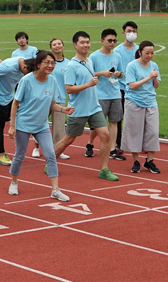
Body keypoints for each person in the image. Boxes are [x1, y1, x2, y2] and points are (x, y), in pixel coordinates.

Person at [6, 51, 74, 202]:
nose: (50, 66)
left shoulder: (53, 81)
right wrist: (12, 125)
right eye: (47, 62)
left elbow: (53, 105)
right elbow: (15, 103)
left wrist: (64, 109)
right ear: (38, 64)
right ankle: (14, 181)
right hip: (24, 123)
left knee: (50, 155)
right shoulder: (27, 80)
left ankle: (55, 189)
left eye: (53, 63)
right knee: (20, 155)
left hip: (42, 125)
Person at [54, 31, 119, 182]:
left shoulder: (89, 62)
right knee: (69, 139)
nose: (86, 45)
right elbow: (69, 89)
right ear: (75, 45)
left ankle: (104, 169)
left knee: (105, 135)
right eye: (82, 42)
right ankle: (51, 162)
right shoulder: (71, 66)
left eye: (88, 42)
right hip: (78, 109)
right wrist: (88, 84)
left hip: (94, 107)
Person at [86, 29, 125, 162]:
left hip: (115, 93)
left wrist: (118, 74)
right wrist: (102, 73)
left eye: (114, 40)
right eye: (110, 40)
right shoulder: (94, 56)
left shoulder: (117, 56)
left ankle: (112, 148)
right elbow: (89, 73)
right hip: (100, 95)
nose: (112, 43)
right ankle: (90, 143)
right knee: (98, 124)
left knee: (114, 122)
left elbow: (122, 73)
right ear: (102, 41)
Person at [124, 40, 162, 174]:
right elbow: (132, 86)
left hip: (151, 102)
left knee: (153, 132)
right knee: (135, 132)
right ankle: (135, 161)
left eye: (152, 53)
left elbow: (156, 85)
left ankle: (149, 160)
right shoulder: (132, 66)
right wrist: (149, 77)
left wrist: (155, 78)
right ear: (140, 52)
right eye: (147, 53)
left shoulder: (154, 65)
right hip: (134, 102)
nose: (150, 56)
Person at [0, 56, 30, 166]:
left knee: (1, 123)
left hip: (8, 96)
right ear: (24, 67)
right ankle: (1, 153)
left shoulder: (25, 64)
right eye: (26, 73)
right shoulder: (7, 67)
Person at [111, 21, 139, 160]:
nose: (132, 33)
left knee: (135, 117)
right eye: (129, 31)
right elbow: (114, 70)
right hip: (122, 87)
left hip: (136, 88)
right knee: (119, 117)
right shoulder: (117, 51)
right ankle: (118, 143)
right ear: (123, 33)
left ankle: (136, 143)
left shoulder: (139, 50)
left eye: (134, 31)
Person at [47, 38, 70, 158]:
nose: (57, 46)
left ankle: (57, 149)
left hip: (60, 98)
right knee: (40, 123)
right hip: (45, 98)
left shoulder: (69, 63)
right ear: (51, 48)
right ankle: (36, 146)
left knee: (59, 126)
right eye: (54, 44)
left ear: (63, 46)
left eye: (59, 44)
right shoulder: (47, 62)